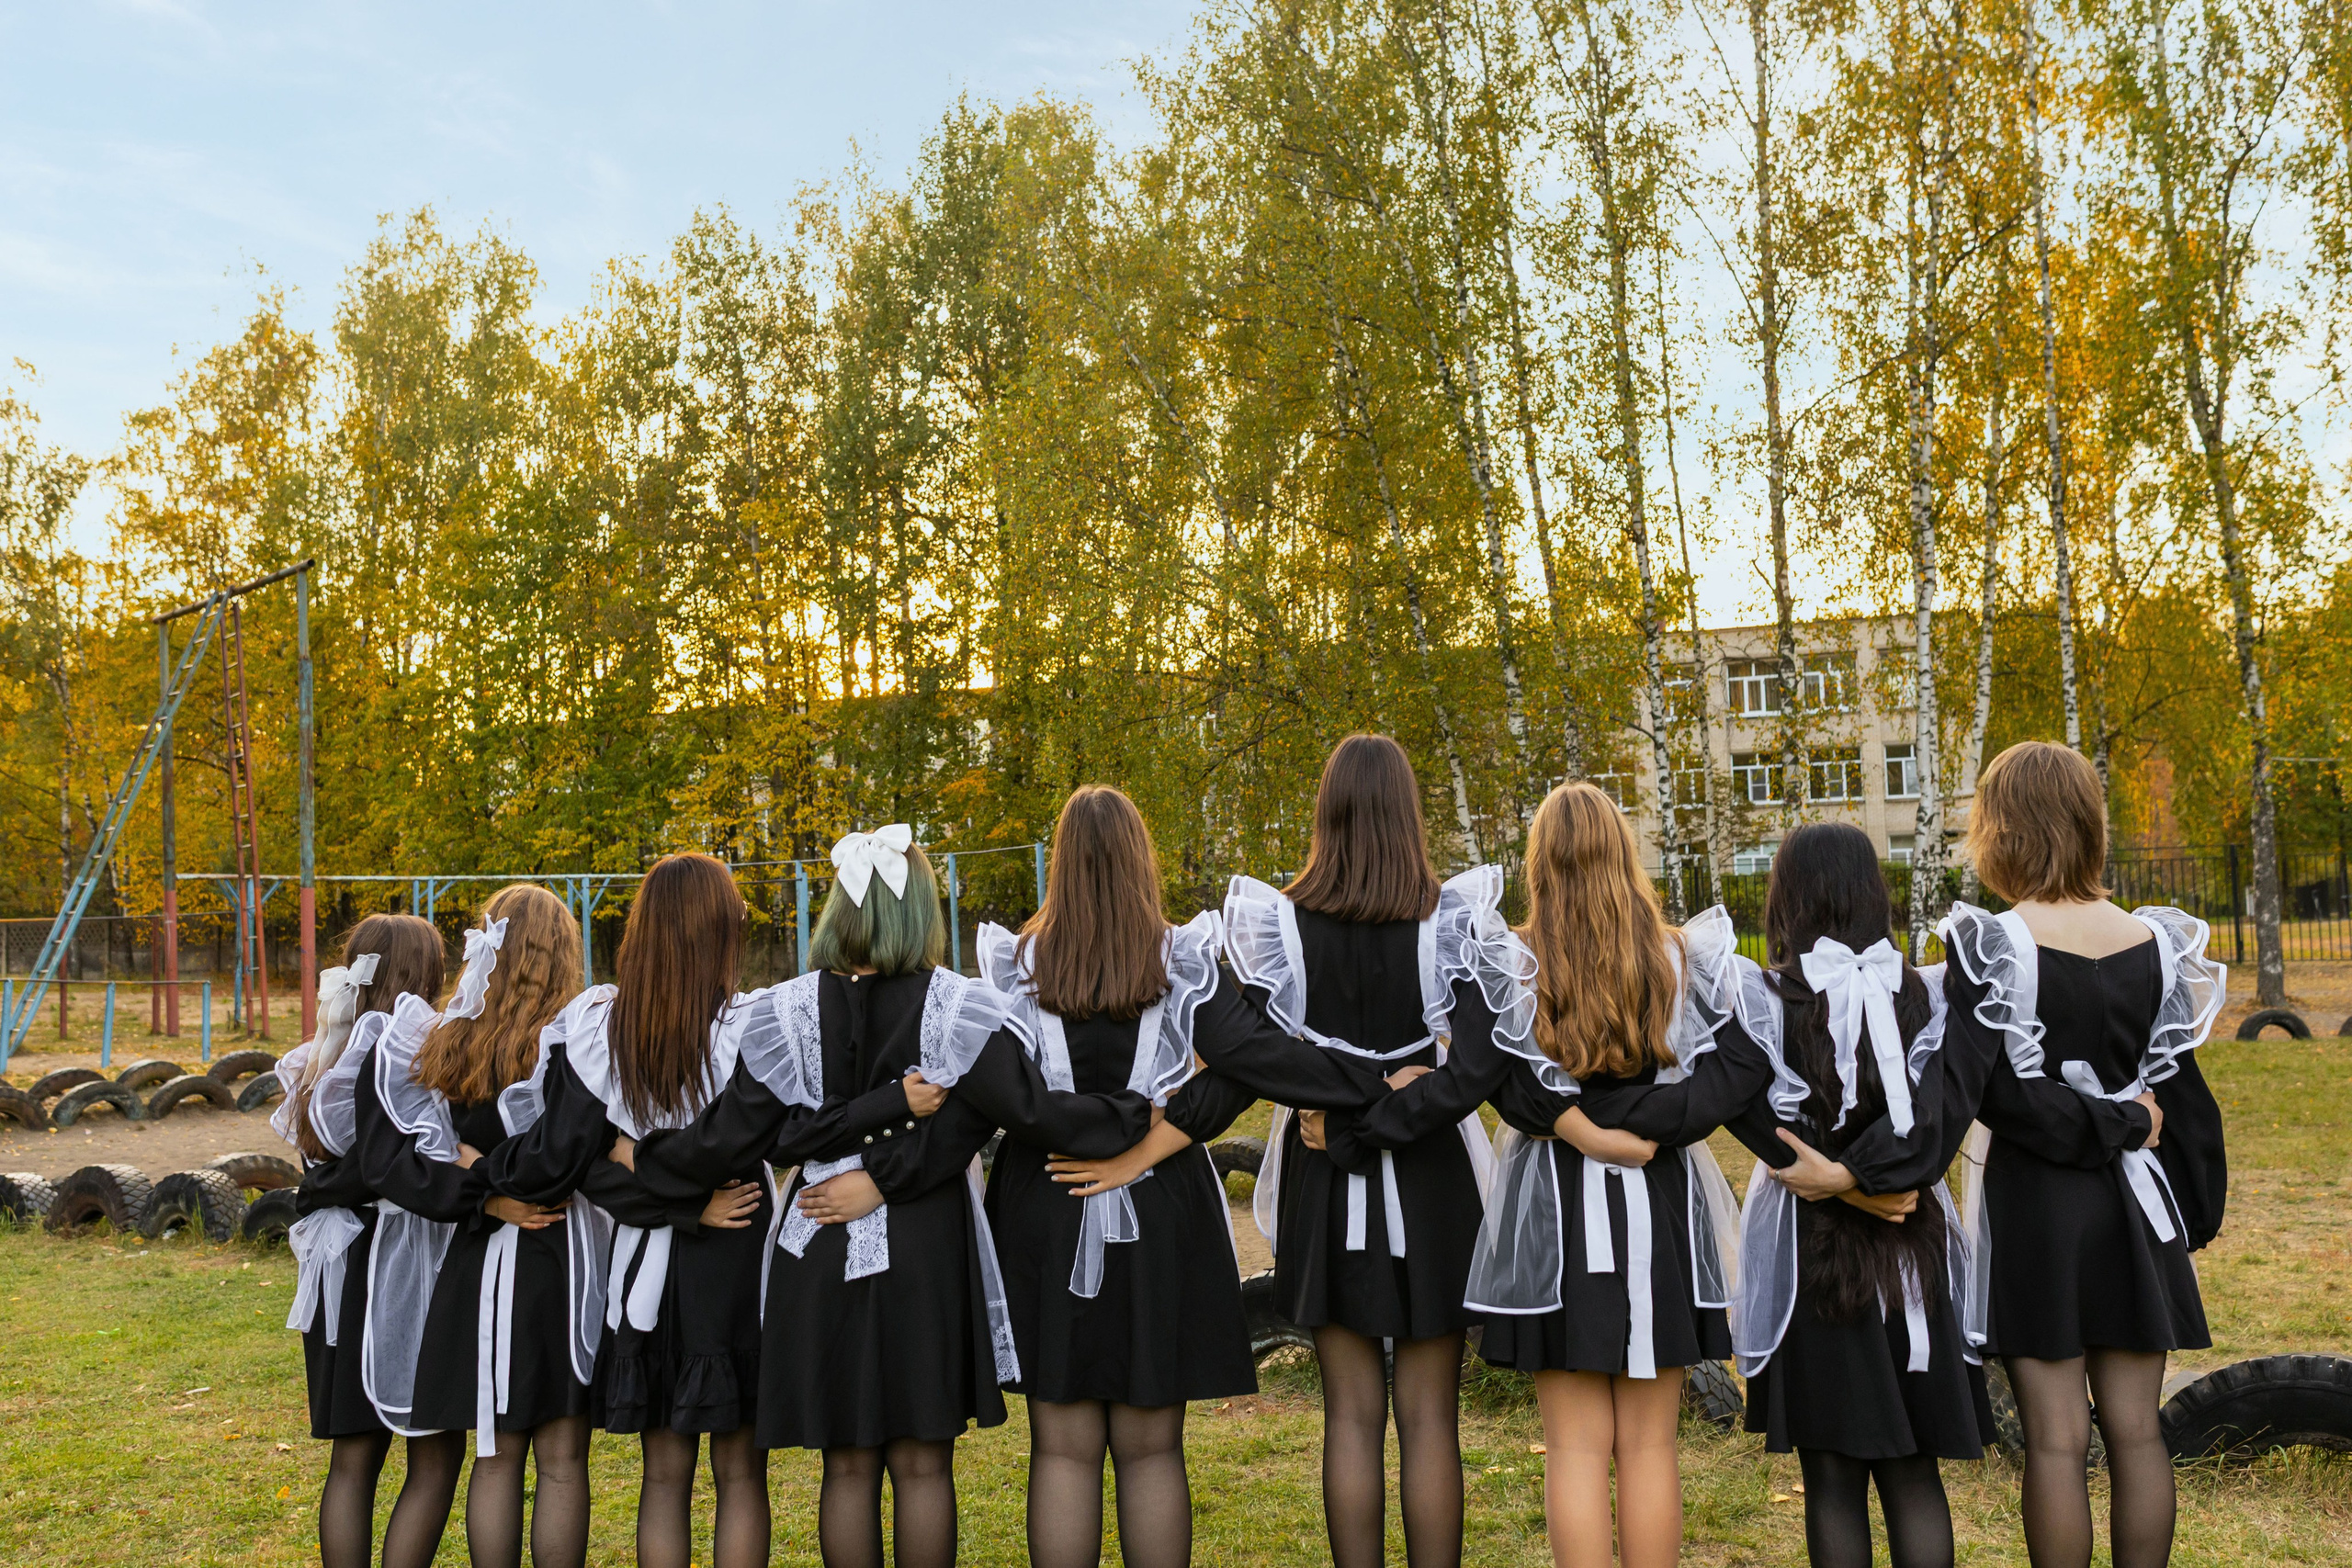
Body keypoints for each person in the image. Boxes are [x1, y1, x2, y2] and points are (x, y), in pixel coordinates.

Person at [622, 826, 1166, 1568]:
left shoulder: (780, 1012)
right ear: (921, 912)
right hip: (924, 1245)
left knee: (845, 1465)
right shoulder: (959, 1006)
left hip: (814, 1239)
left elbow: (729, 1141)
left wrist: (647, 1159)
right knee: (921, 1466)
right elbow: (1031, 1113)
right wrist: (1137, 1111)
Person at [967, 784, 1398, 1568]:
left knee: (1060, 1450)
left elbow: (996, 1088)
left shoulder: (1014, 964)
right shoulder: (1180, 957)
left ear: (1060, 865)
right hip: (1160, 1204)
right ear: (1141, 862)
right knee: (1152, 1448)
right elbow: (1252, 1062)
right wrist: (1378, 1085)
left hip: (1046, 1200)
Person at [1576, 823, 1994, 1568]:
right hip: (1913, 1255)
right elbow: (1939, 1119)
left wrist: (1562, 1108)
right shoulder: (1929, 994)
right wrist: (1873, 1180)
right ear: (1876, 894)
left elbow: (1715, 1106)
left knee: (1831, 1476)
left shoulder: (1764, 1000)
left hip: (1815, 1260)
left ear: (1786, 900)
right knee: (1913, 1471)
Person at [1220, 734, 1564, 1568]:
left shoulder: (1283, 924)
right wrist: (1389, 1098)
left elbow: (1238, 1043)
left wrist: (1344, 1112)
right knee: (1429, 1415)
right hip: (1429, 1178)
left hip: (1325, 1172)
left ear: (1326, 815)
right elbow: (1482, 1065)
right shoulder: (1449, 921)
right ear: (1409, 813)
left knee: (1350, 1413)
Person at [1933, 741, 2226, 1568]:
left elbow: (1997, 1096)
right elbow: (2184, 1101)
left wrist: (2114, 1124)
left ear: (2001, 830)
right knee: (2138, 1431)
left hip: (2037, 1211)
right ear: (2089, 823)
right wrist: (2156, 1161)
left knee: (2056, 1442)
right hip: (2136, 1209)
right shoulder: (2154, 941)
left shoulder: (1993, 944)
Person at [1437, 780, 1741, 1568]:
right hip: (1657, 1196)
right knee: (1650, 1446)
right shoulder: (1678, 953)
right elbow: (1727, 1077)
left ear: (1540, 863)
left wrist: (1578, 1127)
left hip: (1553, 1207)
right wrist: (1634, 1126)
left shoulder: (1514, 958)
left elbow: (1498, 1078)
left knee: (1572, 1446)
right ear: (1623, 851)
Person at [482, 853, 792, 1568]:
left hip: (645, 1256)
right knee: (741, 1472)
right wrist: (697, 1205)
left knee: (664, 1475)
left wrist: (639, 1165)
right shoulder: (752, 1027)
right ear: (718, 929)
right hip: (737, 1243)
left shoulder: (600, 1029)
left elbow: (580, 1168)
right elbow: (746, 1139)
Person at [355, 885, 594, 1568]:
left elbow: (406, 1155)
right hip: (553, 1254)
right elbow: (568, 1154)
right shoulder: (571, 1036)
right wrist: (500, 1189)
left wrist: (480, 1185)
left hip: (474, 1257)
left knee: (494, 1454)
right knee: (561, 1458)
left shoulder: (446, 1037)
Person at [278, 912, 445, 1568]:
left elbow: (329, 1169)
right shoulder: (404, 1054)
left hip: (334, 1261)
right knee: (433, 1451)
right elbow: (395, 1163)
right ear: (418, 975)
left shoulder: (319, 1054)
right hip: (391, 1255)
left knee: (354, 1455)